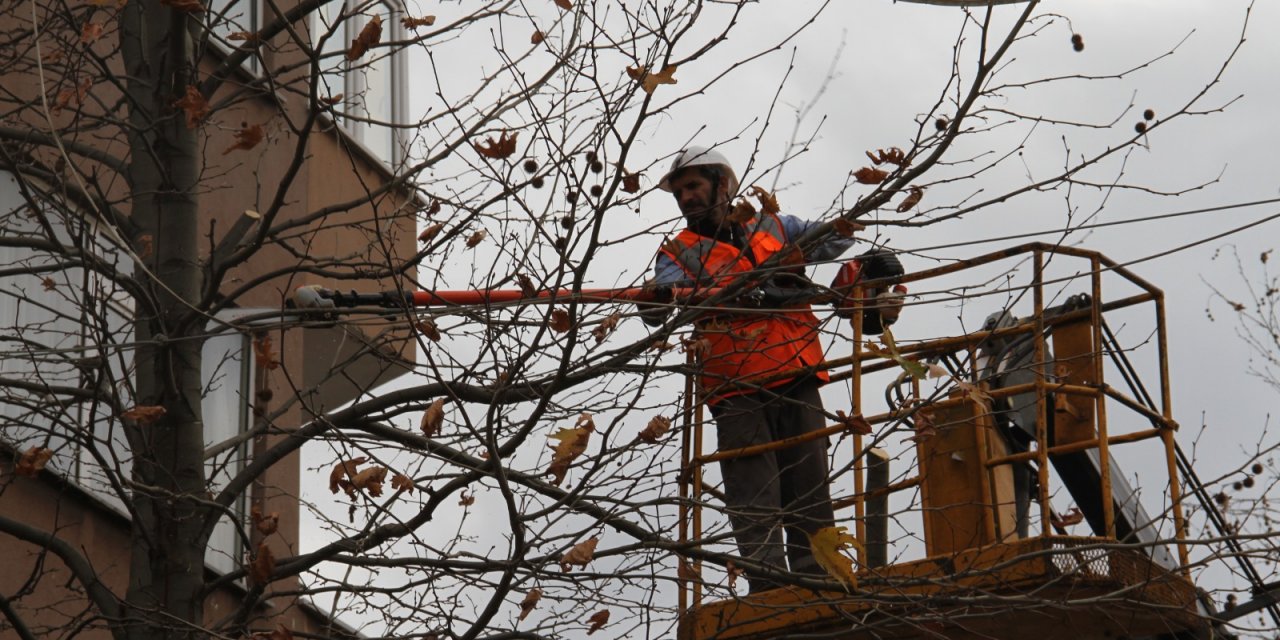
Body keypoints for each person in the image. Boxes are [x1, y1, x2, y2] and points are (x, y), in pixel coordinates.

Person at [642, 146, 860, 591]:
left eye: (694, 186)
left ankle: (819, 580)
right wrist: (660, 299)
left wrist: (844, 222)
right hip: (734, 385)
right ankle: (770, 588)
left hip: (795, 371)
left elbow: (837, 238)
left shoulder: (776, 226)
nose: (686, 197)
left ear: (723, 185)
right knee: (754, 494)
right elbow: (660, 301)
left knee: (810, 485)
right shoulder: (678, 252)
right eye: (680, 191)